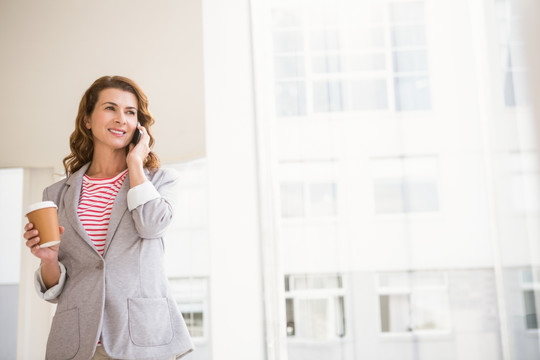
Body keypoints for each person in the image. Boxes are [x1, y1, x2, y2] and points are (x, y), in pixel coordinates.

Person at [23, 75, 194, 360]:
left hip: (141, 340)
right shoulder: (56, 194)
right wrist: (48, 259)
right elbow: (57, 287)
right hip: (78, 342)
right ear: (88, 119)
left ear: (139, 126)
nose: (121, 119)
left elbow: (151, 225)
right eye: (110, 108)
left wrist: (135, 163)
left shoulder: (161, 182)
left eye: (130, 112)